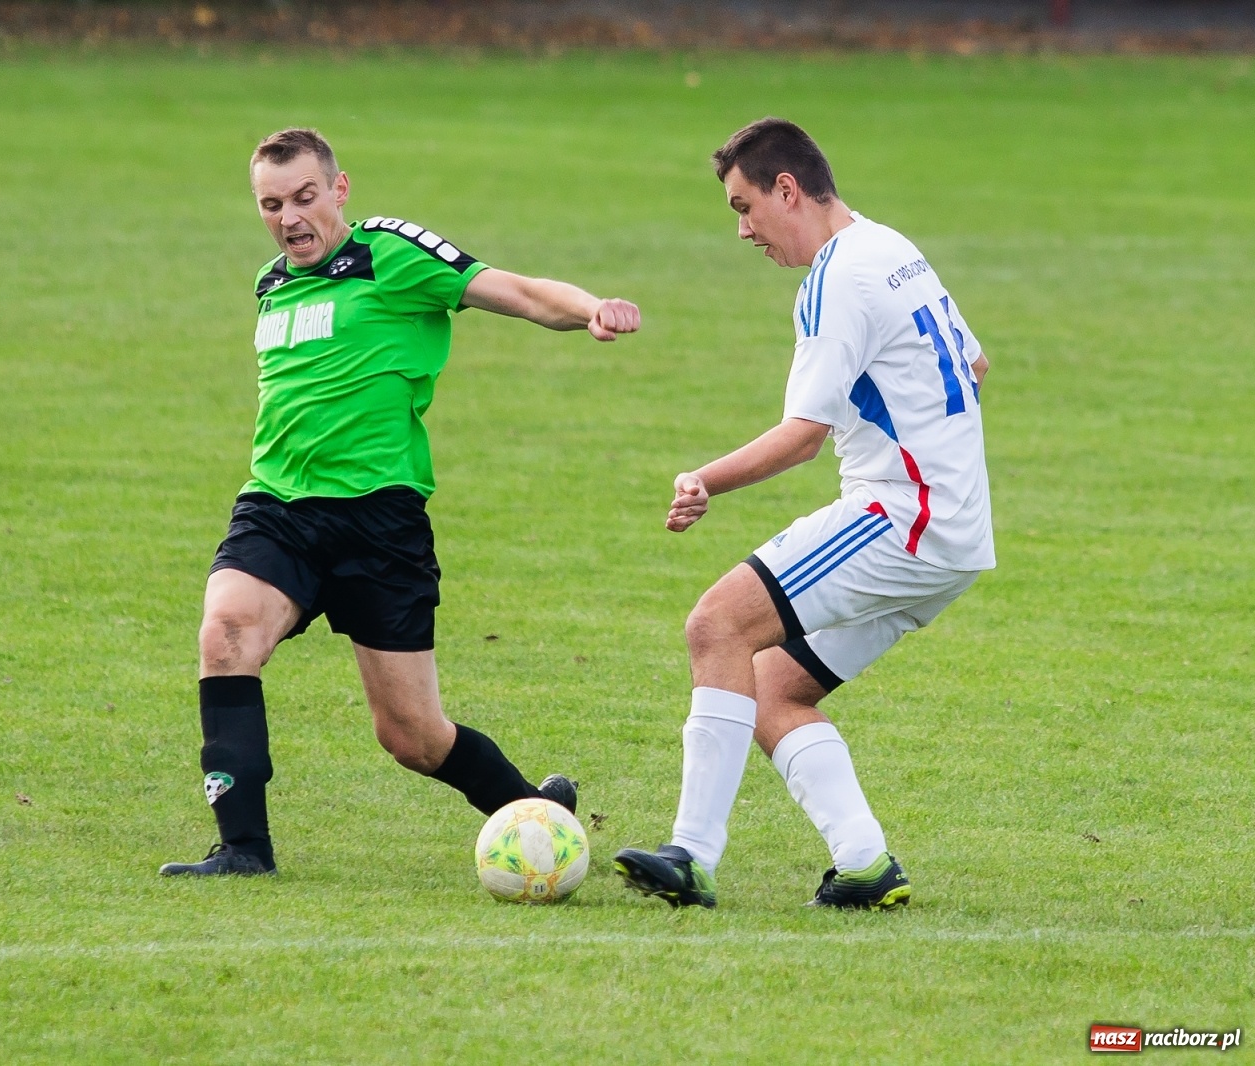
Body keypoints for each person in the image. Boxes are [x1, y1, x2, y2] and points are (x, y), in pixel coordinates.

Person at [161, 127, 641, 877]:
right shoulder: (271, 283)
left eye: (305, 198)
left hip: (378, 522)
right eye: (271, 204)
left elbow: (513, 291)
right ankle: (244, 849)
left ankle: (536, 812)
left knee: (412, 737)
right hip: (278, 508)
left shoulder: (391, 254)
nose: (290, 217)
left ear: (340, 189)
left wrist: (590, 309)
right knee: (224, 635)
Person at [613, 118, 993, 909]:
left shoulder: (835, 276)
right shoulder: (893, 248)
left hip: (903, 518)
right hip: (957, 533)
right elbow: (976, 363)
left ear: (788, 189)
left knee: (716, 625)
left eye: (744, 207)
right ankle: (864, 864)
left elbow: (802, 439)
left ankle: (690, 854)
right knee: (769, 686)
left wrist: (704, 479)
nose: (744, 229)